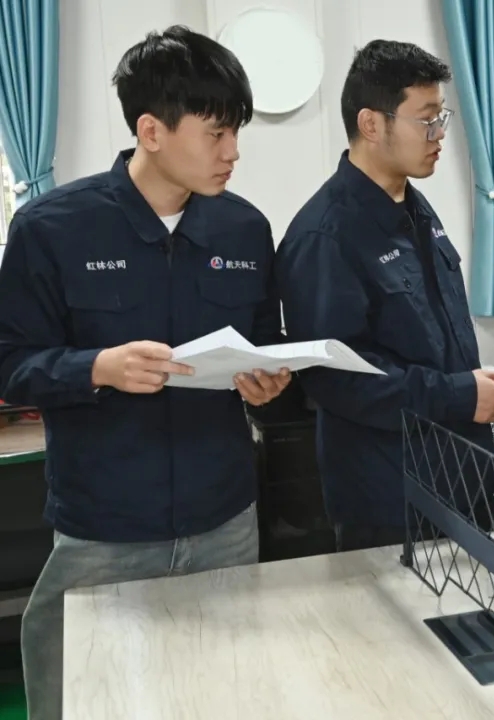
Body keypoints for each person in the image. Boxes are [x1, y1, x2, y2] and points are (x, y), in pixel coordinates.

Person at [0, 26, 292, 720]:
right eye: (216, 133)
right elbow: (11, 364)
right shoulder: (52, 228)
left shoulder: (245, 229)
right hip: (104, 529)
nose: (233, 151)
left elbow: (262, 344)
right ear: (151, 130)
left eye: (237, 132)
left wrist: (268, 381)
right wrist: (95, 367)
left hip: (224, 520)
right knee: (85, 700)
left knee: (221, 698)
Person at [275, 40, 494, 552]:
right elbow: (339, 380)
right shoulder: (325, 235)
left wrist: (469, 389)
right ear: (372, 124)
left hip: (462, 477)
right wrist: (460, 394)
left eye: (442, 117)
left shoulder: (416, 210)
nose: (440, 133)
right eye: (427, 119)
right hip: (391, 498)